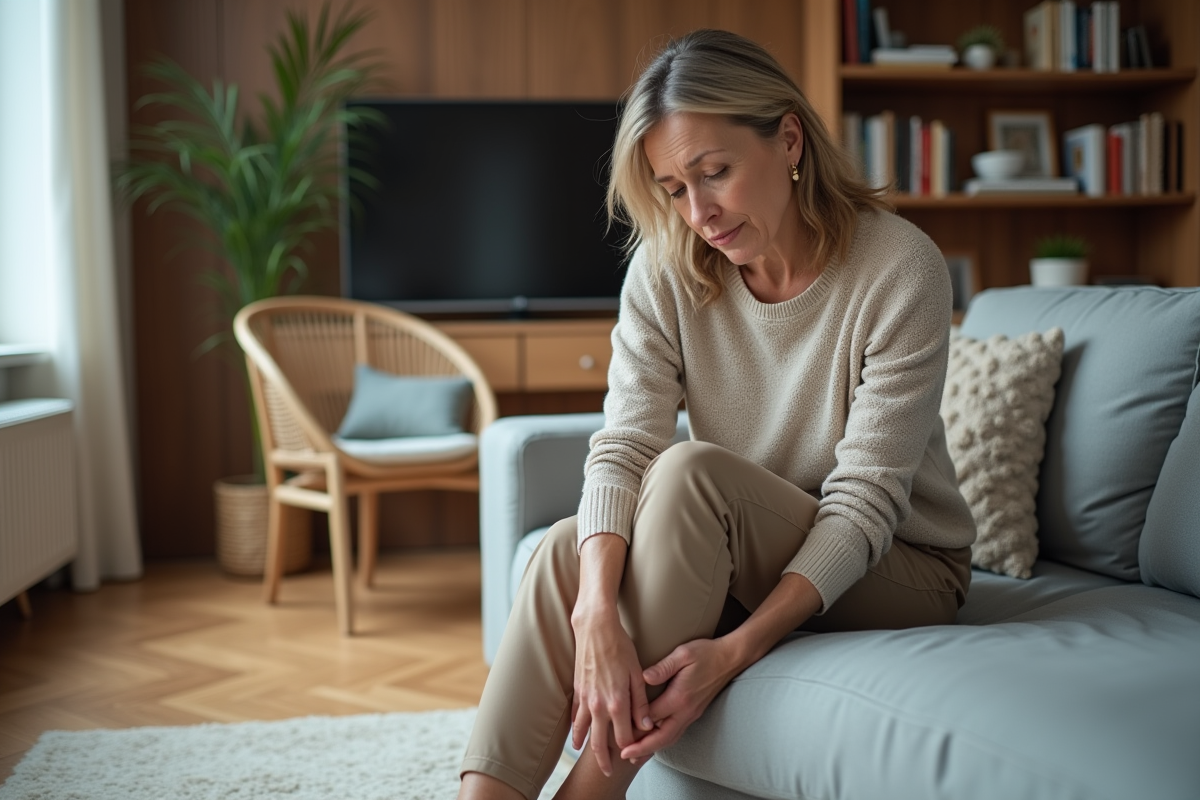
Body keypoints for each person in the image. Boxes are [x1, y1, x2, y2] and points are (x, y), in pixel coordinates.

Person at [458, 28, 977, 800]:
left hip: (899, 566)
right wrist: (595, 612)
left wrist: (734, 652)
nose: (698, 211)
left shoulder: (899, 267)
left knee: (692, 471)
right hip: (744, 546)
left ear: (789, 140)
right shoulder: (665, 268)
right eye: (674, 188)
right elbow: (624, 446)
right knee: (566, 552)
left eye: (715, 173)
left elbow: (865, 505)